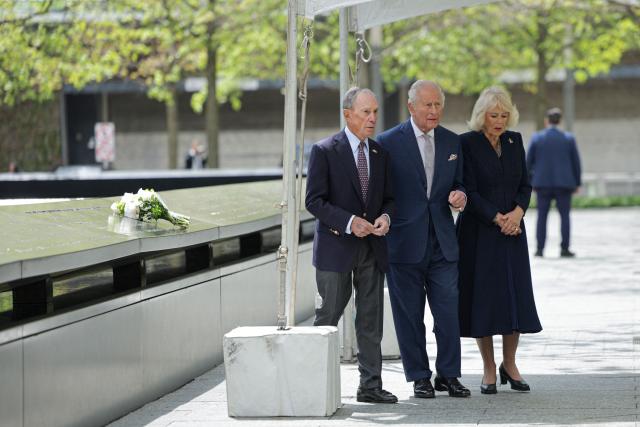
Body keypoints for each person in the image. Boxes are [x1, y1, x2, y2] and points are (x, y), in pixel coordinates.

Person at [377, 80, 469, 399]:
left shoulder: (453, 142)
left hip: (443, 242)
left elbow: (461, 184)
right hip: (403, 244)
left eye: (438, 105)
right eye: (427, 105)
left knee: (447, 312)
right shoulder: (387, 142)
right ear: (411, 106)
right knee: (410, 316)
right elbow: (381, 194)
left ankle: (449, 374)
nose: (434, 111)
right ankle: (419, 376)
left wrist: (461, 196)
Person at [305, 87, 397, 404]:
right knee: (327, 317)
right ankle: (314, 387)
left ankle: (370, 386)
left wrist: (385, 217)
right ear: (348, 114)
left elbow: (389, 199)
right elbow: (313, 201)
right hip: (335, 248)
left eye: (375, 112)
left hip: (373, 248)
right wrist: (348, 222)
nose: (373, 118)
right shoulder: (324, 150)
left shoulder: (380, 154)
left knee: (370, 319)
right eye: (365, 112)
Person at [456, 86, 542, 395]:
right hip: (480, 233)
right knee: (485, 300)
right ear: (481, 115)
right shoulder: (466, 143)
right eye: (494, 115)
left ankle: (510, 363)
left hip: (513, 233)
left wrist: (517, 214)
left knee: (513, 298)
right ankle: (489, 368)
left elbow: (525, 184)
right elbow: (468, 189)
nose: (500, 120)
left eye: (505, 115)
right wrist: (498, 218)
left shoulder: (514, 140)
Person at [527, 107, 582, 258]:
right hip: (564, 184)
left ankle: (539, 249)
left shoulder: (537, 138)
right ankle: (565, 249)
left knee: (541, 217)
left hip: (542, 184)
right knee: (565, 216)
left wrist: (529, 182)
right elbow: (575, 163)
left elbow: (528, 162)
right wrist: (577, 183)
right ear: (560, 121)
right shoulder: (568, 138)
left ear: (547, 121)